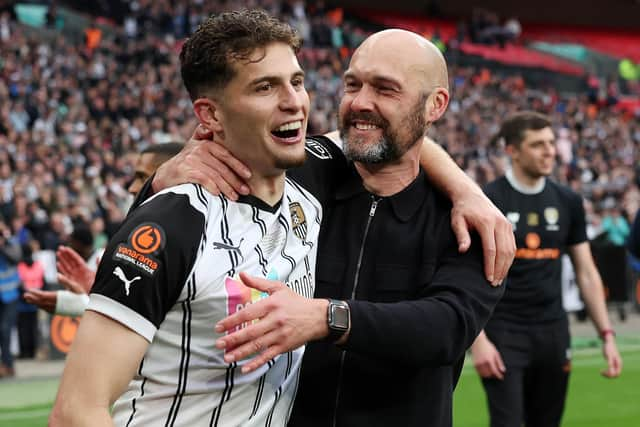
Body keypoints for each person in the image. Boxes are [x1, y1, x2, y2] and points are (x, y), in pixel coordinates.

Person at [149, 28, 511, 426]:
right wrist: (164, 177)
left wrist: (327, 317)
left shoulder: (470, 224)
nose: (360, 103)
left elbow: (446, 329)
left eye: (385, 89)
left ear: (435, 105)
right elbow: (169, 218)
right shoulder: (300, 178)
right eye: (352, 84)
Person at [50, 10, 324, 426]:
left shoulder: (313, 192)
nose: (293, 101)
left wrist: (463, 188)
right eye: (265, 87)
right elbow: (76, 411)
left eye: (297, 81)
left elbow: (390, 134)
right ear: (210, 115)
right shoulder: (172, 222)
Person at [470, 111, 622, 427]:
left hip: (554, 332)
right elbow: (466, 277)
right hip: (504, 332)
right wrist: (478, 341)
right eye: (538, 144)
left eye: (551, 143)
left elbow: (586, 271)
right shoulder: (487, 200)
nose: (550, 151)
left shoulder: (567, 201)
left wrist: (606, 334)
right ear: (512, 150)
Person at [23, 143, 184, 317]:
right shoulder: (145, 238)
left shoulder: (196, 245)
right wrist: (95, 298)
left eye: (142, 177)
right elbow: (145, 315)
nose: (133, 188)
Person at [0, 220, 21, 378]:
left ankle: (8, 364)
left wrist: (2, 245)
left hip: (10, 294)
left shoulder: (11, 243)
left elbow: (16, 258)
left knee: (5, 329)